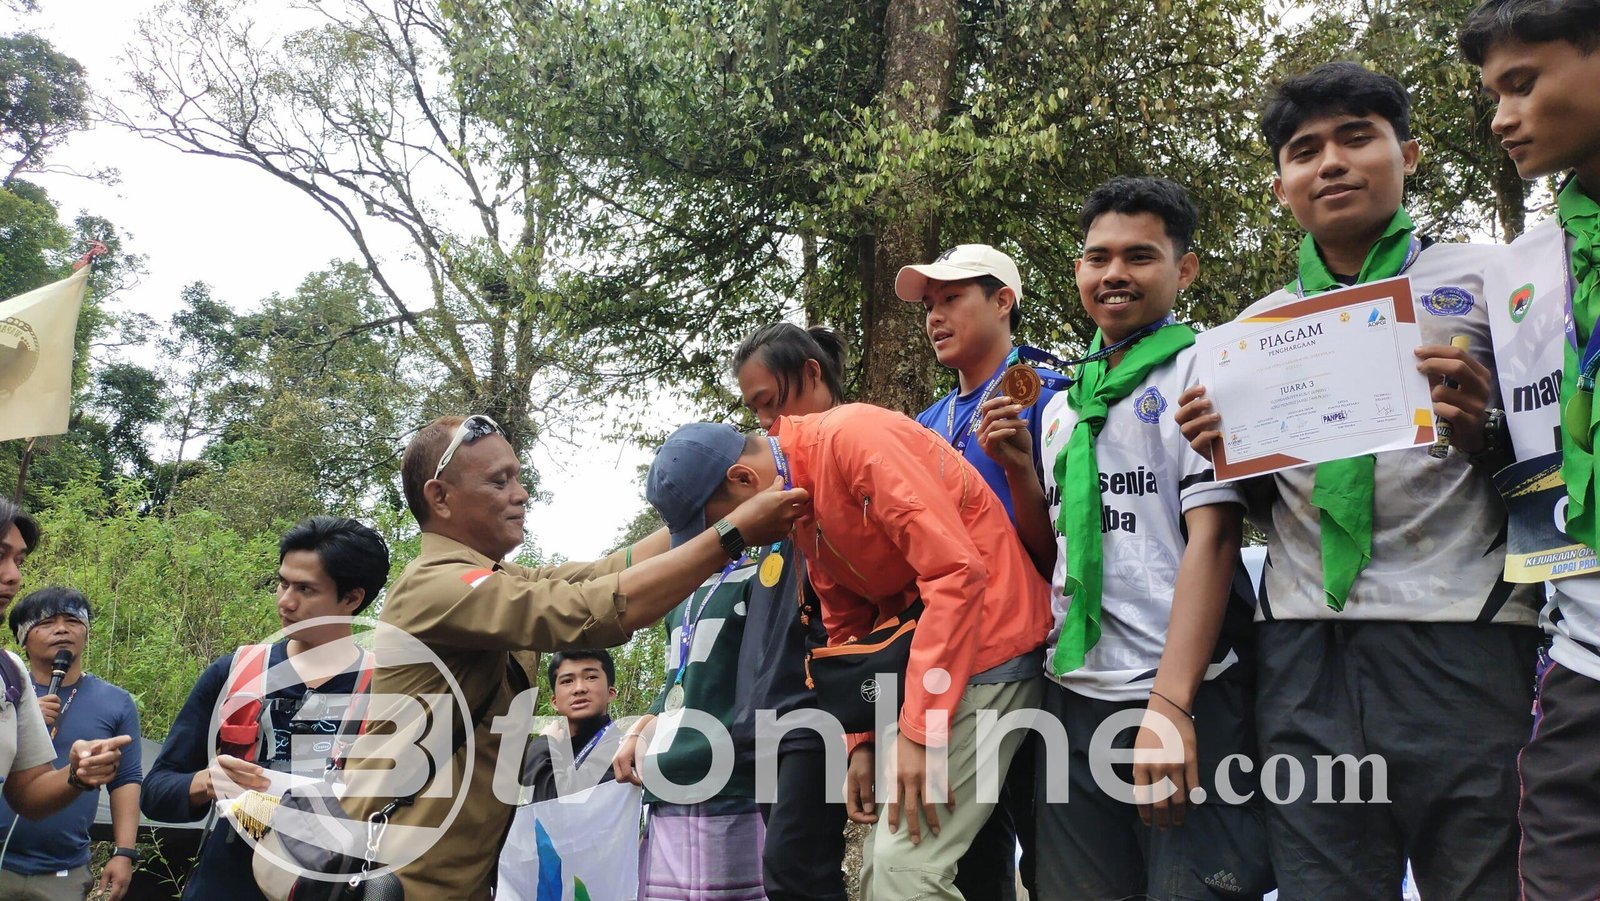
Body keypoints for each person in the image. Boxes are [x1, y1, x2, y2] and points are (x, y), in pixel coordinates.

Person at [1174, 63, 1541, 899]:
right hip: (1306, 647)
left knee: (1481, 876)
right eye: (1305, 150)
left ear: (1407, 153)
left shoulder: (1497, 279)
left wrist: (1484, 431)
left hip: (1463, 635)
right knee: (1322, 882)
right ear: (1280, 186)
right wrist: (1235, 456)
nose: (1331, 162)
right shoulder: (1247, 335)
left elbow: (1558, 466)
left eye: (1356, 137)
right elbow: (1266, 512)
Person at [340, 414, 807, 899]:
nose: (520, 494)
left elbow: (604, 573)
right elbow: (590, 609)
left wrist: (704, 506)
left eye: (518, 477)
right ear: (440, 497)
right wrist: (732, 533)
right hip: (402, 873)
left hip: (459, 873)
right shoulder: (433, 587)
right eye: (500, 481)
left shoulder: (495, 577)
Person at [651, 404, 1049, 901]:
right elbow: (845, 621)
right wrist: (860, 740)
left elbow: (957, 574)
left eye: (731, 526)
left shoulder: (852, 440)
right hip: (935, 668)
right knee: (878, 875)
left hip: (992, 647)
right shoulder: (798, 500)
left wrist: (918, 734)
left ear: (742, 477)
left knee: (905, 873)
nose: (742, 545)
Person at [1021, 176, 1271, 899]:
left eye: (1140, 256)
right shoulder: (1062, 405)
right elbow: (1066, 546)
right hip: (1071, 694)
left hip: (1180, 691)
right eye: (1098, 257)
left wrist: (1171, 705)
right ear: (1077, 270)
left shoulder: (1204, 371)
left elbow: (1216, 538)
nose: (1115, 275)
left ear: (1183, 269)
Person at [1459, 3, 1600, 896]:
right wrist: (1478, 426)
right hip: (1581, 670)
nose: (1503, 116)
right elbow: (1532, 462)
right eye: (1493, 93)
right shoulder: (1521, 272)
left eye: (1524, 83)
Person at [898, 243, 1059, 898]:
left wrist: (1018, 467)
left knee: (1053, 854)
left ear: (1003, 300)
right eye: (929, 305)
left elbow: (1061, 553)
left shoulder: (1053, 396)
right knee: (969, 862)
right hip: (954, 666)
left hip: (1040, 664)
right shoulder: (924, 425)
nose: (935, 316)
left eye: (952, 298)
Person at [141, 515, 391, 901]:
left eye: (306, 589)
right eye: (283, 582)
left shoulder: (384, 689)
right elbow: (157, 790)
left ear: (352, 598)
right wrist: (206, 782)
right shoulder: (235, 673)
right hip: (225, 884)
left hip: (328, 884)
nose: (285, 601)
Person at [613, 433, 814, 900]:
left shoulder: (778, 559)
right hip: (667, 786)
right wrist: (647, 723)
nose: (707, 541)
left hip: (739, 785)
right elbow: (682, 675)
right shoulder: (683, 585)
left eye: (709, 524)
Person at [727, 322, 849, 901]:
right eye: (754, 411)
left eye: (769, 403)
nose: (765, 424)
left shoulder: (854, 457)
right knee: (787, 871)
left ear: (811, 374)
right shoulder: (775, 479)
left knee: (794, 869)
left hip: (818, 703)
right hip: (766, 708)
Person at [0, 588, 142, 901]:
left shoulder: (115, 702)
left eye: (73, 620)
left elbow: (127, 781)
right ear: (23, 638)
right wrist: (19, 719)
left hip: (63, 869)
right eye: (47, 622)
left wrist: (124, 852)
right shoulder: (6, 693)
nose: (62, 629)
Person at [0, 499, 131, 834]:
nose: (13, 576)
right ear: (24, 638)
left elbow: (27, 794)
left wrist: (77, 774)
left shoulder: (9, 675)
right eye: (0, 555)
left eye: (19, 561)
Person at [520, 649, 621, 803]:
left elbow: (552, 804)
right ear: (554, 702)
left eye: (591, 677)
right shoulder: (557, 748)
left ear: (611, 693)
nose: (579, 688)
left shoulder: (619, 747)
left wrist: (545, 742)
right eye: (567, 681)